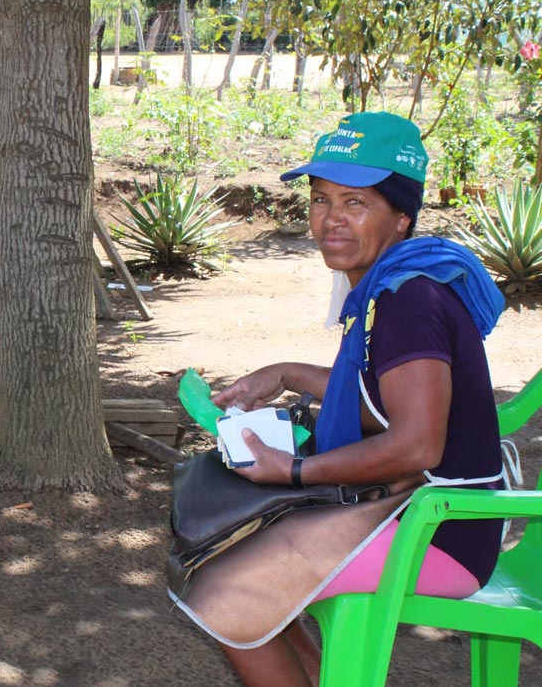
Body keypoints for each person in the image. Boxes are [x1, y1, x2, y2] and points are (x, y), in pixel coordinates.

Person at [169, 112, 507, 687]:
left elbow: (417, 442)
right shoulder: (396, 282)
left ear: (401, 216)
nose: (332, 220)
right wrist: (284, 373)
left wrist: (296, 471)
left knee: (228, 581)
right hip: (413, 507)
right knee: (234, 553)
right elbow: (383, 392)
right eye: (322, 200)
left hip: (443, 530)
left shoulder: (409, 301)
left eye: (357, 203)